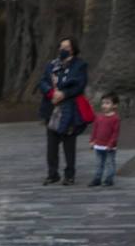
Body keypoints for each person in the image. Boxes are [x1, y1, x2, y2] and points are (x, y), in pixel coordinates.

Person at [38, 36, 89, 185]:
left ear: (73, 49)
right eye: (61, 46)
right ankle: (52, 173)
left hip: (69, 109)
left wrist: (63, 94)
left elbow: (80, 84)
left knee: (69, 144)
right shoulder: (51, 64)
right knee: (51, 145)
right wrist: (51, 93)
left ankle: (69, 174)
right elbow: (42, 81)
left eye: (66, 47)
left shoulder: (79, 65)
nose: (63, 50)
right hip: (52, 109)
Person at [89, 92, 120, 187]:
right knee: (99, 163)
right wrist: (92, 141)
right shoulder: (99, 116)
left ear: (114, 105)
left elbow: (115, 133)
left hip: (109, 147)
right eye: (103, 103)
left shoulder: (115, 118)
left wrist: (111, 144)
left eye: (107, 103)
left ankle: (109, 179)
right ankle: (97, 178)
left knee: (110, 163)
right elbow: (95, 129)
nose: (104, 105)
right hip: (99, 145)